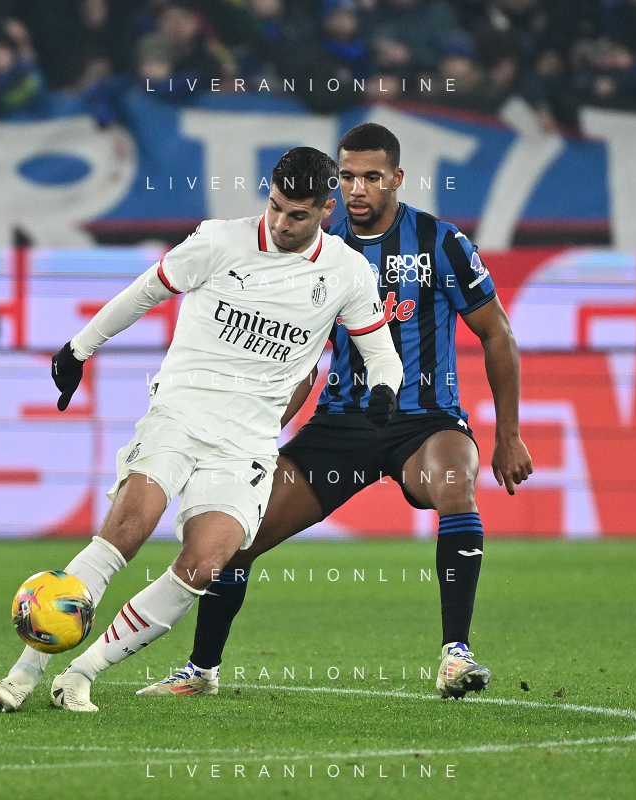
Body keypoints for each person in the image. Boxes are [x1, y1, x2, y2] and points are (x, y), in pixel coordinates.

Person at [0, 147, 404, 713]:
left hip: (248, 441)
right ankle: (23, 673)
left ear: (327, 209)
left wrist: (384, 390)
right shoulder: (219, 240)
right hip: (181, 411)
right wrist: (79, 348)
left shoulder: (348, 271)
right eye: (276, 206)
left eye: (298, 215)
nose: (282, 222)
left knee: (204, 565)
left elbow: (381, 353)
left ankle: (81, 675)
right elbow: (146, 290)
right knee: (127, 529)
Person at [137, 122, 533, 701]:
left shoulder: (440, 242)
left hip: (425, 422)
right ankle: (201, 670)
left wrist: (509, 435)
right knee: (238, 533)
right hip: (341, 424)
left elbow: (496, 332)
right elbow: (301, 358)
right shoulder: (319, 249)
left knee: (455, 485)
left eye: (372, 176)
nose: (357, 189)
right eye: (347, 176)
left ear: (397, 178)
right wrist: (260, 428)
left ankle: (456, 655)